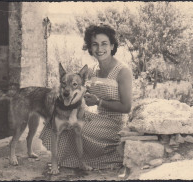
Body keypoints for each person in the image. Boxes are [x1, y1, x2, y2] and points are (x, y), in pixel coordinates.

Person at [40, 24, 133, 171]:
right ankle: (65, 160)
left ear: (112, 45)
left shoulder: (123, 71)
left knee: (71, 125)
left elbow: (127, 107)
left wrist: (99, 102)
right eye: (94, 44)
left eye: (104, 44)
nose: (99, 49)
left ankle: (77, 160)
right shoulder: (93, 69)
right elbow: (77, 89)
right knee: (56, 121)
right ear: (90, 47)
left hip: (114, 126)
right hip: (96, 119)